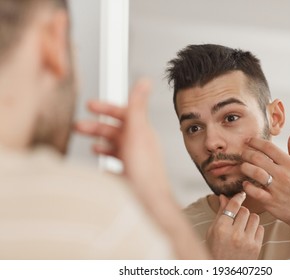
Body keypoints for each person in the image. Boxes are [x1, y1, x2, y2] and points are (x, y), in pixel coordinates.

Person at [76, 44, 290, 260]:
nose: (211, 142)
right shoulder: (164, 236)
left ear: (275, 118)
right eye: (194, 127)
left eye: (230, 118)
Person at [0, 0, 208, 259]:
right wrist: (157, 195)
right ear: (54, 38)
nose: (213, 143)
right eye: (74, 48)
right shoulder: (92, 218)